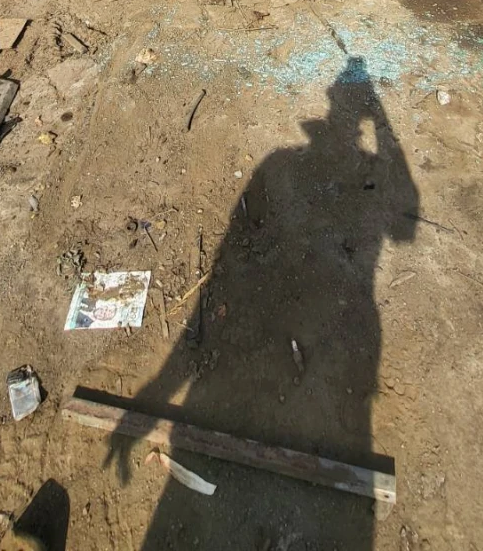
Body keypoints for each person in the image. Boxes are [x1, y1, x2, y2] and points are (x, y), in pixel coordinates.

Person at [109, 60, 419, 549]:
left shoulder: (281, 163)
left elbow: (403, 226)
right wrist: (380, 119)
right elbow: (405, 227)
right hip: (349, 340)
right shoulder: (300, 165)